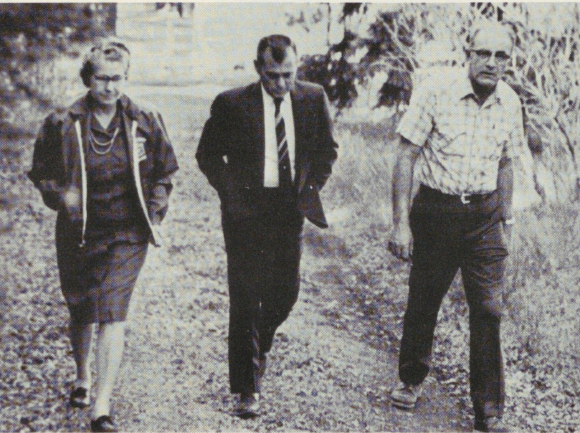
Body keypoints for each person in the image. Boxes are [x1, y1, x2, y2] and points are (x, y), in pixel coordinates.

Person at [28, 38, 179, 432]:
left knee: (112, 313)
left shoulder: (144, 118)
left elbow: (165, 171)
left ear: (126, 77)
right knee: (81, 308)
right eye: (101, 79)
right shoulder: (62, 122)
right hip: (79, 232)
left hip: (128, 233)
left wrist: (156, 210)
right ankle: (82, 376)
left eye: (117, 78)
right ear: (88, 78)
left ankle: (102, 405)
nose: (110, 88)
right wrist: (61, 195)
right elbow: (40, 171)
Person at [388, 21, 525, 432]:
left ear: (508, 62)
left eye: (501, 56)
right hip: (436, 213)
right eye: (484, 53)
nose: (491, 62)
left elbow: (506, 163)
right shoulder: (435, 90)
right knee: (425, 300)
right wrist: (400, 224)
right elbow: (406, 156)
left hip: (484, 218)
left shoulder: (511, 103)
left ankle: (489, 409)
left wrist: (508, 219)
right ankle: (411, 379)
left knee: (488, 309)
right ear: (468, 53)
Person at [196, 34, 338, 418]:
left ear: (297, 68)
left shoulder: (312, 98)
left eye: (288, 74)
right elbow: (207, 155)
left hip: (288, 209)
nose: (280, 84)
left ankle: (258, 343)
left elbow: (328, 150)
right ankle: (247, 388)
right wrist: (232, 195)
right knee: (244, 296)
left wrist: (310, 188)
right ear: (258, 69)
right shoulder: (232, 104)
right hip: (245, 211)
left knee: (285, 293)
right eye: (272, 75)